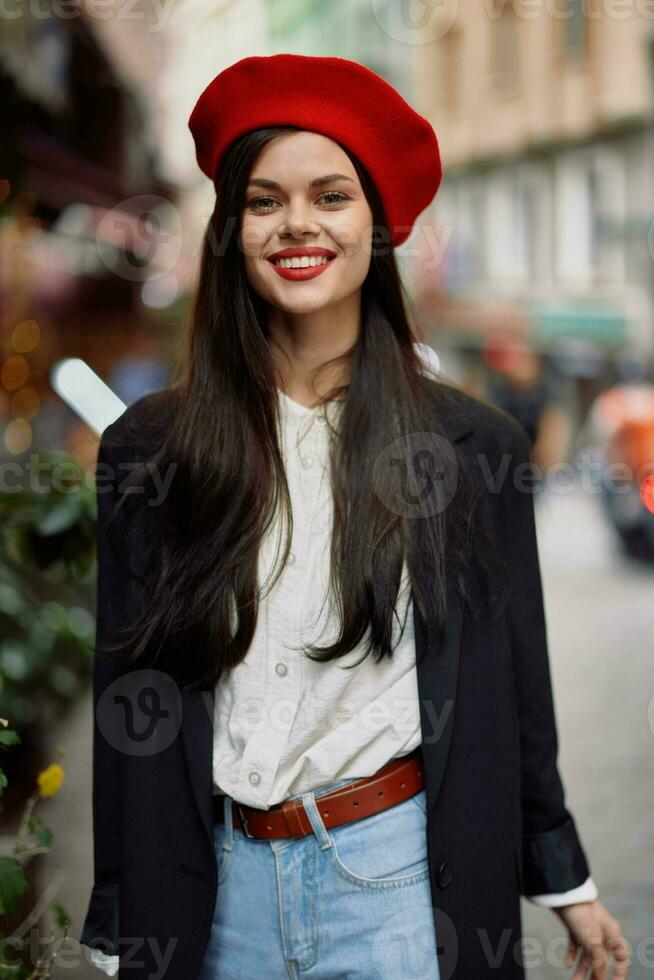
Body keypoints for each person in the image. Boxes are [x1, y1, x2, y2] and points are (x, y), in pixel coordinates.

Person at [79, 54, 630, 980]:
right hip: (215, 890)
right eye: (264, 202)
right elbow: (125, 700)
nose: (298, 224)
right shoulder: (150, 449)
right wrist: (117, 914)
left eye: (330, 196)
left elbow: (515, 686)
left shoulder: (473, 449)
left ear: (375, 224)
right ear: (232, 230)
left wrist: (562, 876)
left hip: (397, 887)